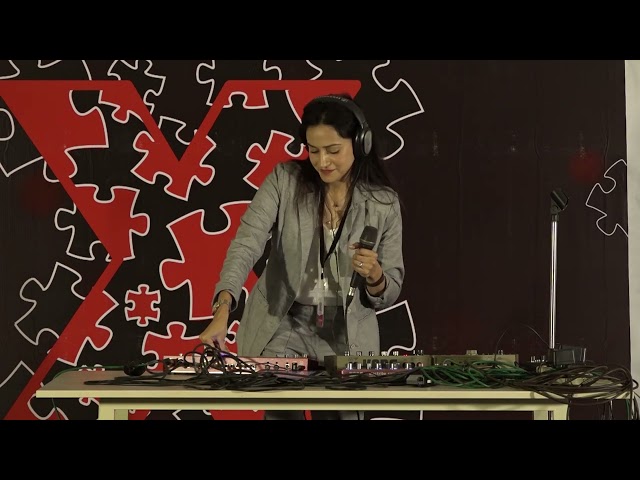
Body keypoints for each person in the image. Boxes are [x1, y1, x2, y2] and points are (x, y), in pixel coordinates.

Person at [199, 93, 405, 420]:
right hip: (285, 324)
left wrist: (375, 276)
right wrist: (223, 306)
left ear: (360, 143)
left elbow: (389, 290)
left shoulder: (383, 204)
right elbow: (247, 243)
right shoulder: (285, 180)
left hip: (346, 334)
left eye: (333, 150)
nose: (323, 161)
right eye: (314, 150)